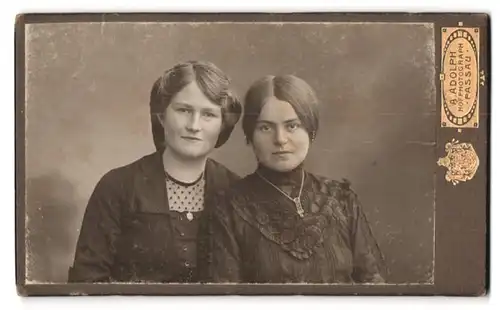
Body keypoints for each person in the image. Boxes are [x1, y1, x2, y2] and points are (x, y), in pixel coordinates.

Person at [68, 60, 242, 283]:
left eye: (208, 114)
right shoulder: (117, 187)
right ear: (161, 115)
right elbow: (87, 281)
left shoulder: (235, 192)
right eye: (183, 110)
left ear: (223, 124)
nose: (194, 125)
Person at [206, 75, 385, 283]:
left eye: (292, 126)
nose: (280, 139)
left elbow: (373, 288)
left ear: (311, 131)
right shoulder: (228, 208)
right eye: (266, 127)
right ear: (250, 136)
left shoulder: (343, 201)